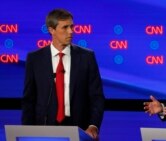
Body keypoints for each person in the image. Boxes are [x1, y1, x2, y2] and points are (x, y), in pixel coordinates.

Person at [22, 9, 105, 140]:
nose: (71, 31)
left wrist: (93, 125)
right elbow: (29, 100)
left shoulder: (86, 57)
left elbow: (97, 97)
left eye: (72, 26)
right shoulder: (35, 59)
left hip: (80, 129)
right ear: (51, 30)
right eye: (65, 27)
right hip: (44, 129)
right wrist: (26, 133)